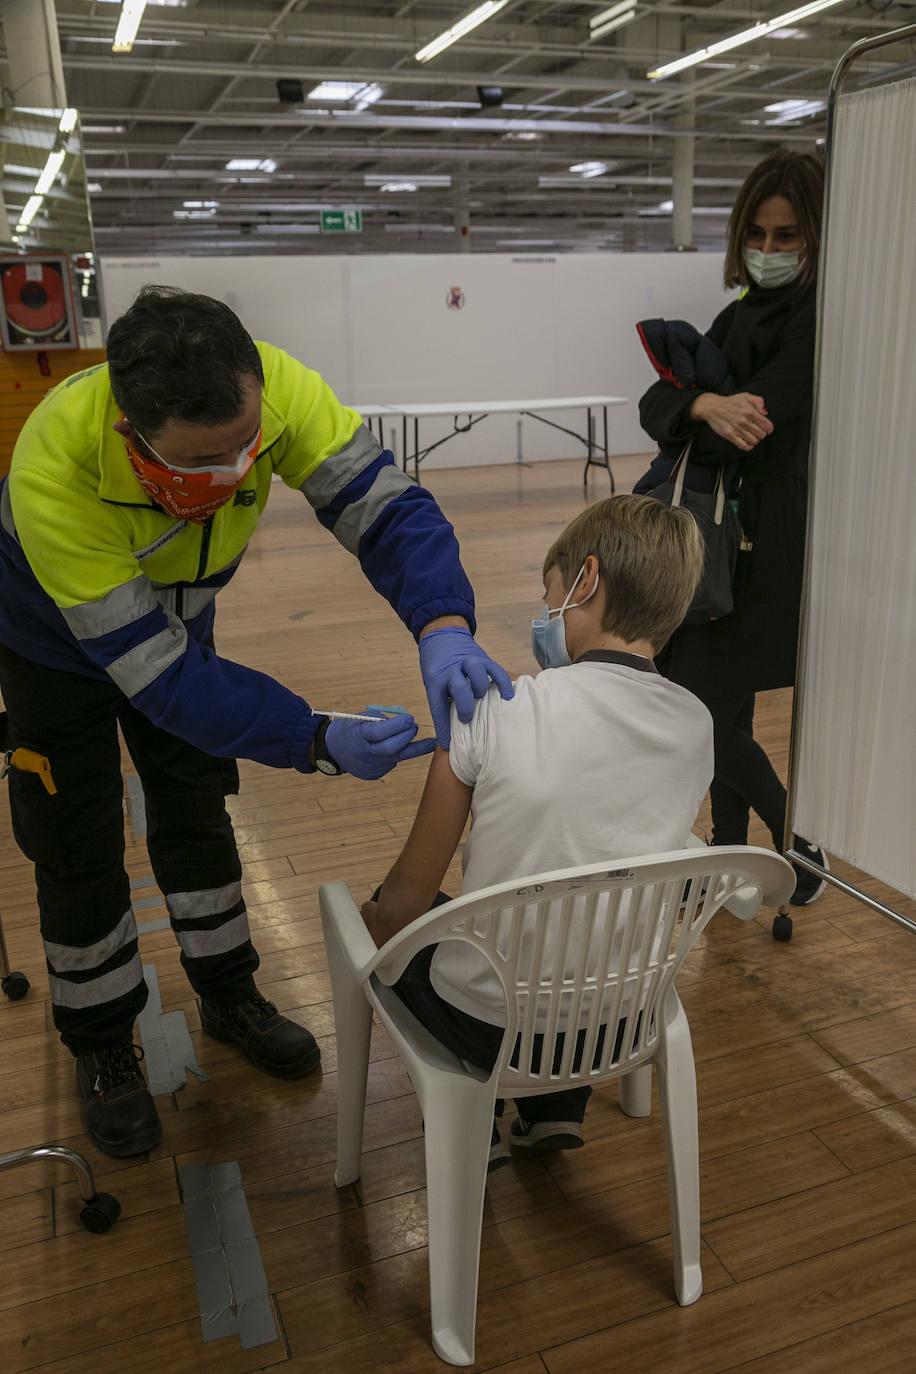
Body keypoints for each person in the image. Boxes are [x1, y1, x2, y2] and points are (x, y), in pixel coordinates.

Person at [0, 285, 512, 1158]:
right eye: (203, 463)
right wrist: (313, 737)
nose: (238, 473)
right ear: (132, 437)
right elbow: (166, 685)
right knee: (77, 840)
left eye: (248, 446)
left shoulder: (277, 390)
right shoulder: (56, 467)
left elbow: (388, 511)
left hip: (181, 615)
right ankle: (101, 1046)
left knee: (196, 803)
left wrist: (444, 624)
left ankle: (230, 991)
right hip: (51, 640)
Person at [361, 494, 713, 1165]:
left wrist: (367, 927)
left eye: (547, 591)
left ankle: (480, 1117)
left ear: (586, 579)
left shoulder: (492, 709)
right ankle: (556, 1108)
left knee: (401, 926)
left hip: (487, 1032)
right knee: (584, 915)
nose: (542, 610)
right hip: (618, 1024)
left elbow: (408, 897)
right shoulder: (696, 724)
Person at [634, 149, 826, 905]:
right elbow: (658, 408)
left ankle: (798, 850)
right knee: (724, 706)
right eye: (759, 234)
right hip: (716, 539)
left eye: (787, 237)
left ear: (814, 239)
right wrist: (704, 406)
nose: (770, 251)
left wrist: (703, 410)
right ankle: (726, 854)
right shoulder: (739, 311)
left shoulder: (814, 317)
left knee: (699, 707)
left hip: (767, 543)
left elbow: (753, 426)